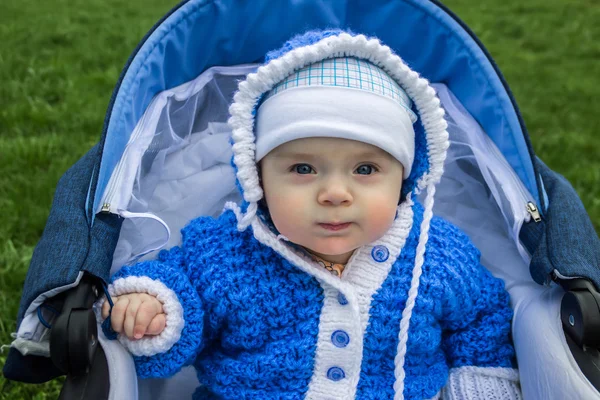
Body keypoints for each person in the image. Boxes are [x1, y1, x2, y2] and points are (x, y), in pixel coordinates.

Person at [99, 29, 522, 399]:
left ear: (406, 179)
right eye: (303, 169)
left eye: (366, 169)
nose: (335, 193)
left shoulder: (437, 256)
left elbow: (481, 325)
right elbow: (180, 295)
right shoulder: (225, 255)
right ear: (257, 177)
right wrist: (153, 308)